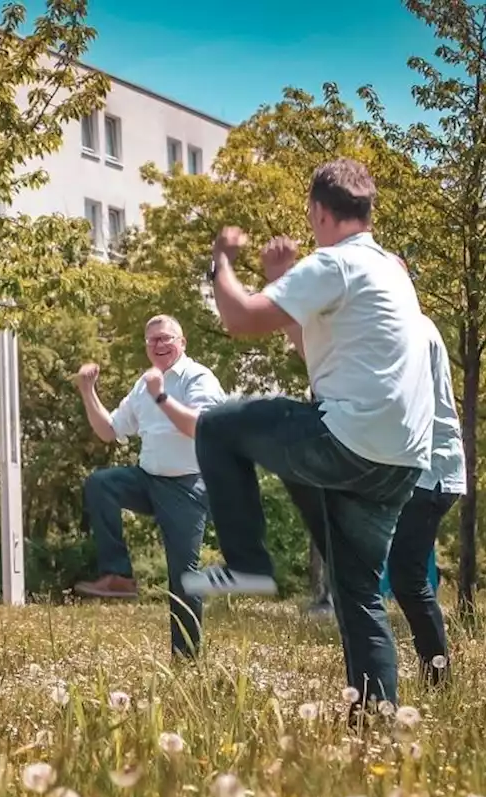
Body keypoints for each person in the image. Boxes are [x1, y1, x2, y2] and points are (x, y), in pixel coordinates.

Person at [185, 158, 433, 707]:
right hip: (400, 457)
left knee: (219, 425)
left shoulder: (335, 262)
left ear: (320, 212)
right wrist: (281, 281)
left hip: (348, 440)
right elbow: (310, 349)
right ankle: (375, 726)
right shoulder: (390, 267)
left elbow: (240, 319)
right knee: (358, 593)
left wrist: (221, 261)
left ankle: (248, 564)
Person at [297, 272, 463, 685]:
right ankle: (399, 680)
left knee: (399, 578)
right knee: (387, 577)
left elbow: (389, 399)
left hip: (426, 472)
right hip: (410, 468)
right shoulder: (395, 329)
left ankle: (428, 678)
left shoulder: (412, 331)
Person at [73, 315, 227, 658]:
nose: (159, 345)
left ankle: (186, 657)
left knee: (183, 576)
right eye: (152, 340)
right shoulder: (144, 385)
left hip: (188, 485)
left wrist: (162, 398)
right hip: (148, 479)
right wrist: (87, 391)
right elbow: (109, 430)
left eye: (165, 338)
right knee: (102, 484)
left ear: (182, 342)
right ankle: (118, 576)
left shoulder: (197, 377)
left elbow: (200, 428)